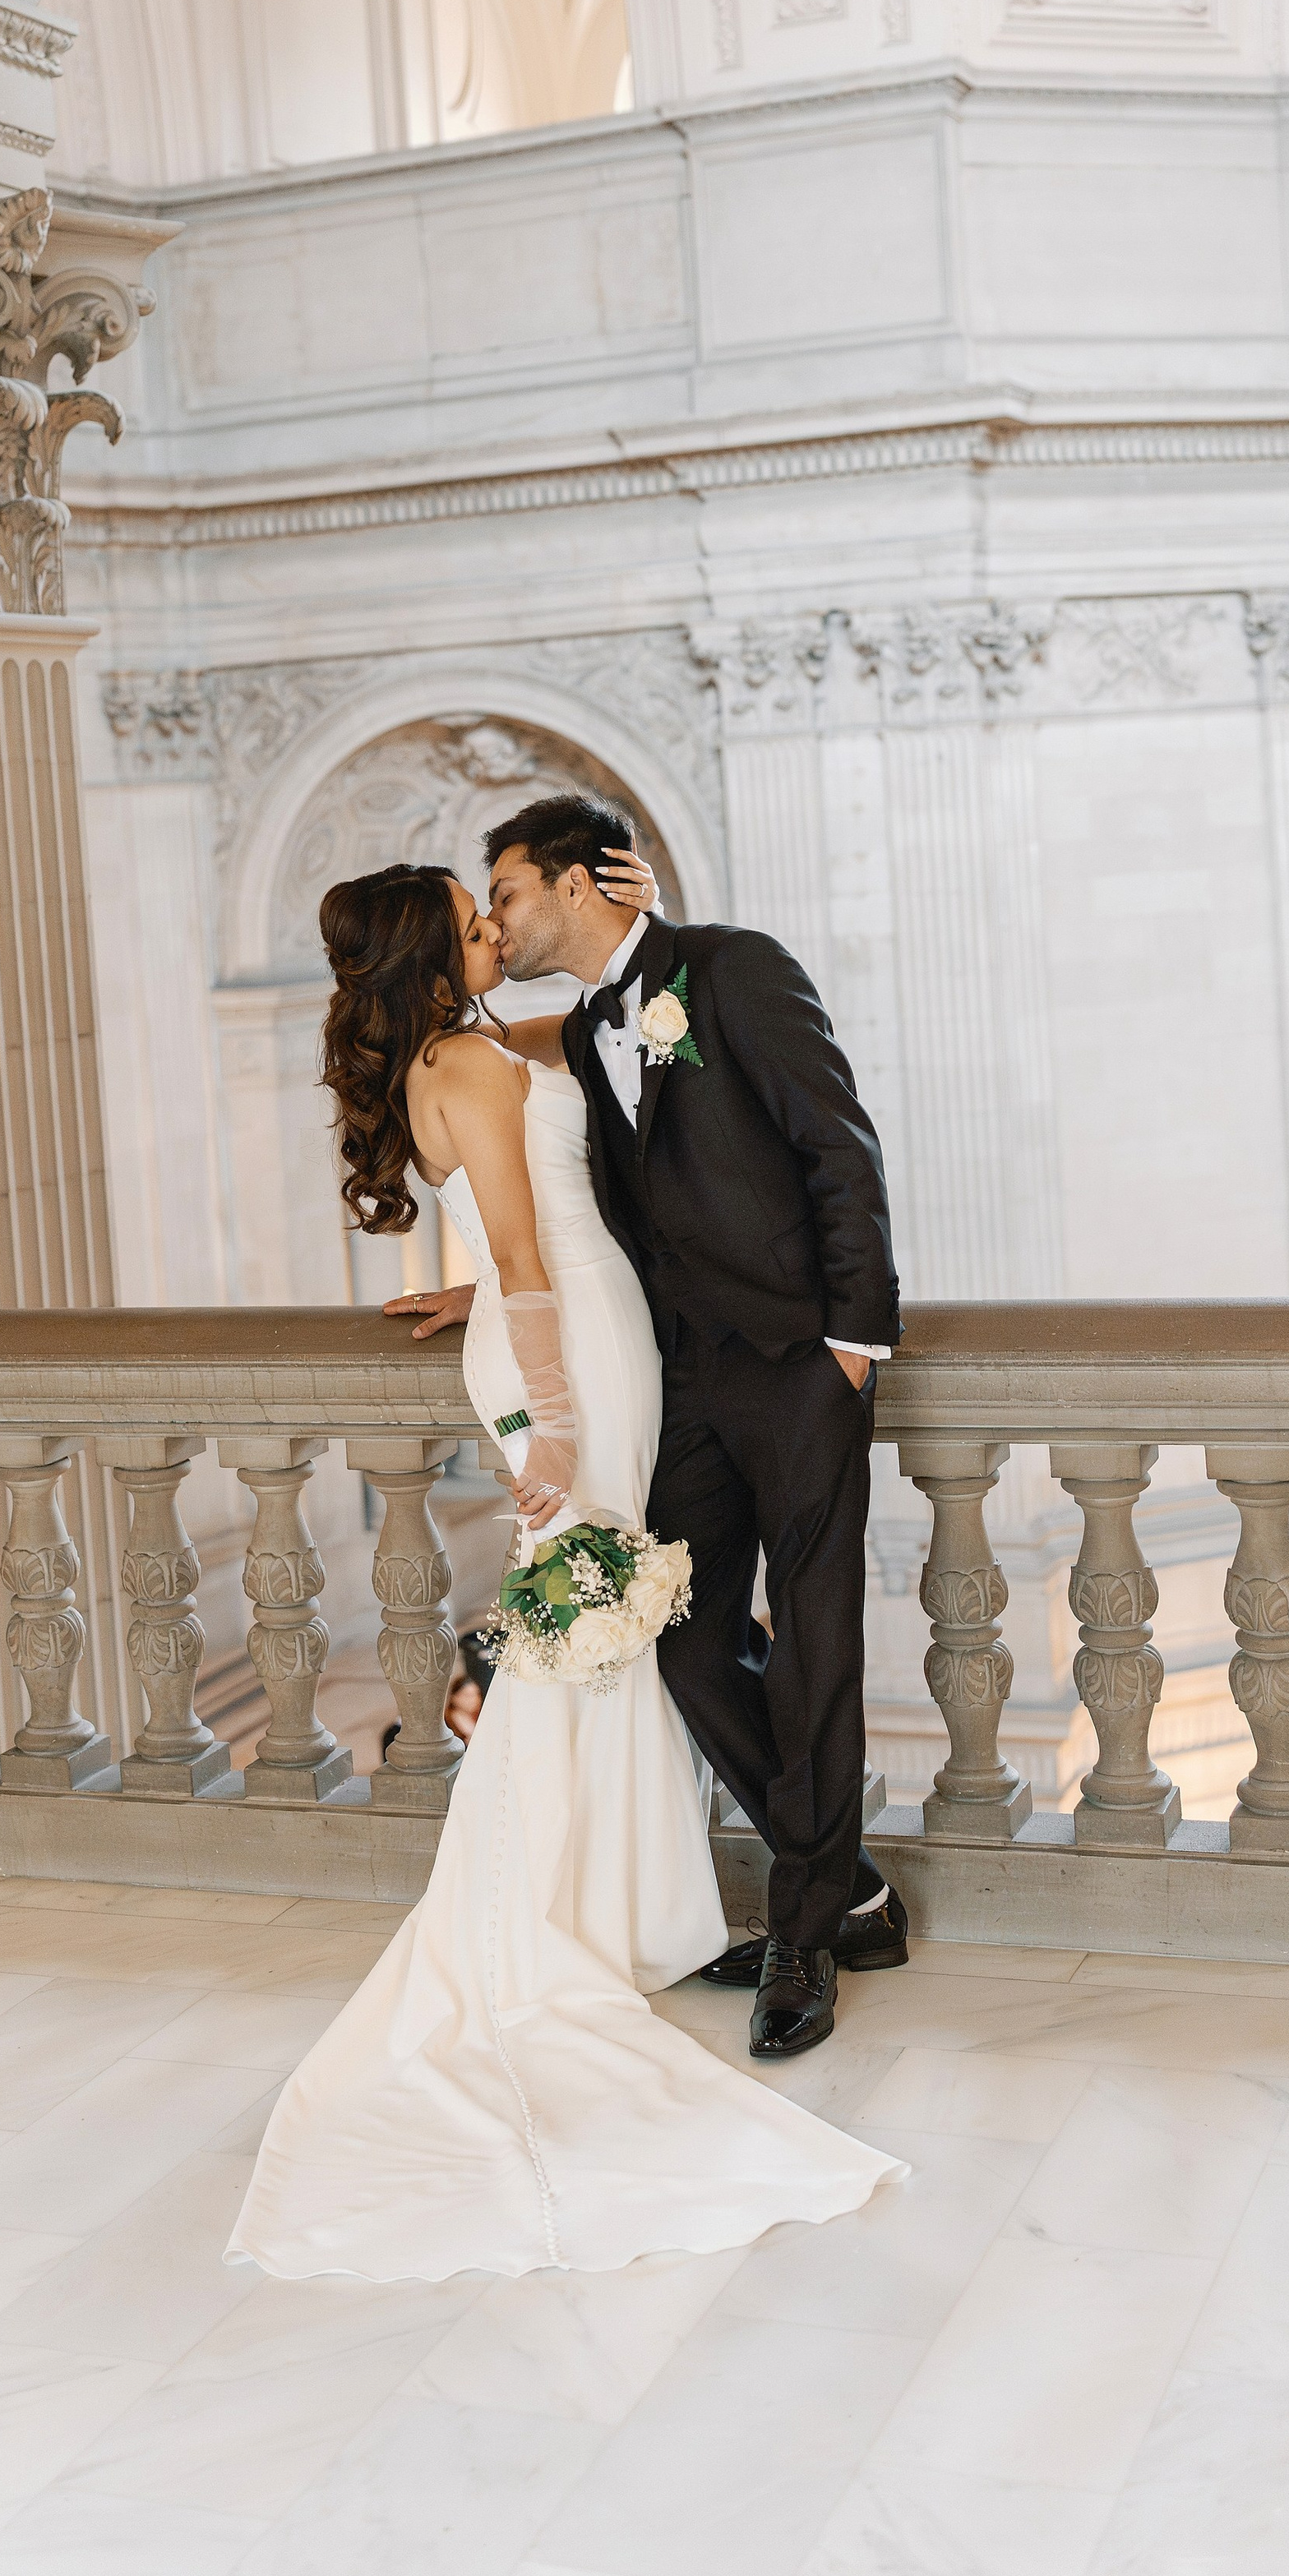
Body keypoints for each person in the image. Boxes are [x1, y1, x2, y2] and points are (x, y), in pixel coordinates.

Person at [227, 852, 902, 2283]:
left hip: (596, 1336)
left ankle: (639, 1906)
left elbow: (603, 1029)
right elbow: (529, 1249)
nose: (492, 930)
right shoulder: (469, 1063)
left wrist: (640, 917)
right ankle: (547, 1922)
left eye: (501, 904)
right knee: (589, 1624)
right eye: (471, 921)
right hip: (574, 1359)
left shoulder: (478, 1046)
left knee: (617, 1627)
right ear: (432, 955)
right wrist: (553, 1417)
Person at [403, 791, 907, 2062]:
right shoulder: (583, 1027)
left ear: (577, 884)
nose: (497, 919)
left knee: (816, 1643)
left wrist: (854, 1341)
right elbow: (530, 1157)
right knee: (681, 1637)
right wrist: (479, 1285)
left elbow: (837, 1145)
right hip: (678, 1380)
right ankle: (843, 1888)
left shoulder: (731, 971)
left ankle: (807, 1933)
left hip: (798, 1367)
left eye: (507, 891)